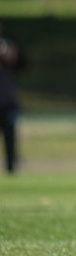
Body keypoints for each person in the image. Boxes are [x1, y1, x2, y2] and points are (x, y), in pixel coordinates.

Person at [0, 25, 25, 175]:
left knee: (10, 139)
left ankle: (11, 169)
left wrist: (10, 56)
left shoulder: (7, 46)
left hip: (7, 103)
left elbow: (22, 66)